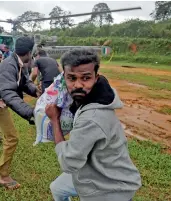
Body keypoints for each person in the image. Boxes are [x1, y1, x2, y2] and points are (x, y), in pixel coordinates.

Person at [45, 48, 141, 201]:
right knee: (57, 188)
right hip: (94, 170)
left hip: (110, 188)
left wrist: (55, 120)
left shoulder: (92, 118)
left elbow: (68, 163)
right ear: (64, 77)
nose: (78, 85)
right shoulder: (98, 94)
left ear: (96, 78)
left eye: (85, 78)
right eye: (71, 78)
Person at [0, 36, 41, 190]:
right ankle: (3, 176)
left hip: (0, 99)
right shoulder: (7, 66)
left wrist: (36, 91)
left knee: (3, 123)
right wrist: (31, 112)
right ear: (29, 52)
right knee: (12, 138)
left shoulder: (18, 63)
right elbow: (9, 95)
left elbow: (23, 82)